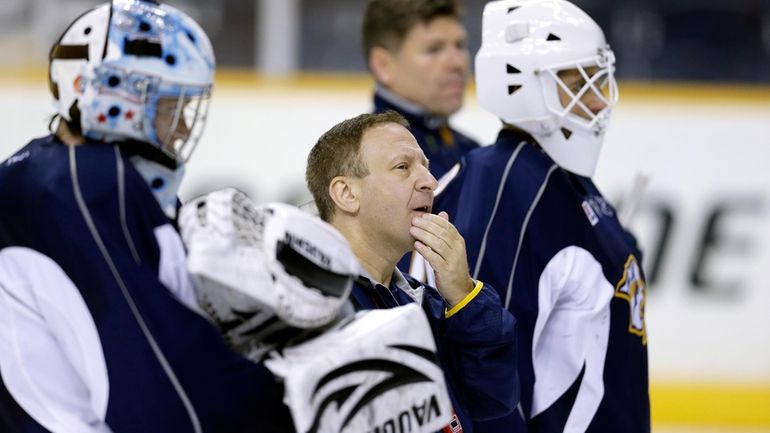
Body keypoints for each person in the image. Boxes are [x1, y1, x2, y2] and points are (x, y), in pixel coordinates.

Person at [0, 1, 296, 431]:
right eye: (168, 108)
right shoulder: (83, 186)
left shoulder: (43, 173)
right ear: (107, 96)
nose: (181, 130)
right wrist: (292, 395)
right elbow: (163, 400)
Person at [421, 0, 651, 431]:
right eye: (581, 82)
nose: (600, 99)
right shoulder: (502, 185)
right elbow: (484, 369)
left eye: (601, 80)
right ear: (521, 85)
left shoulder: (565, 179)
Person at [305, 110, 519, 433]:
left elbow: (493, 397)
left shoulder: (423, 304)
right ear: (347, 194)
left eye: (426, 167)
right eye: (403, 167)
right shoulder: (307, 308)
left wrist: (464, 296)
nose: (430, 182)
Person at [362, 0, 479, 180]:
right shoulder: (367, 165)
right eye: (434, 49)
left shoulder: (471, 150)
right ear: (383, 65)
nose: (457, 63)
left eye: (459, 46)